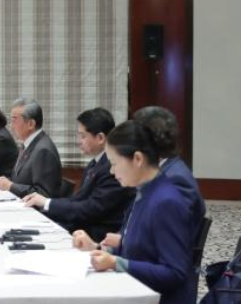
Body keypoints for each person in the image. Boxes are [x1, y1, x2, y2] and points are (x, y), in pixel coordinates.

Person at [83, 120, 198, 304]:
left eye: (114, 163)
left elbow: (175, 274)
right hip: (142, 300)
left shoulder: (165, 201)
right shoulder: (145, 191)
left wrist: (117, 263)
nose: (111, 171)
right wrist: (98, 248)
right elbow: (140, 247)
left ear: (137, 159)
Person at [83, 106, 207, 253]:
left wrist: (118, 249)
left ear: (148, 140)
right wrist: (118, 241)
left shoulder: (175, 180)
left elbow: (164, 247)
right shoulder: (153, 172)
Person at [24, 107, 134, 242]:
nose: (78, 141)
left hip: (97, 237)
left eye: (83, 136)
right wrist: (46, 204)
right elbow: (78, 199)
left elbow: (90, 209)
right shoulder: (95, 163)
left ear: (100, 138)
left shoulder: (112, 169)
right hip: (81, 228)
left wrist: (47, 203)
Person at [0, 98, 62, 198]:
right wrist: (7, 181)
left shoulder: (43, 150)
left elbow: (43, 194)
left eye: (14, 120)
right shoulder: (29, 144)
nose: (11, 126)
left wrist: (11, 186)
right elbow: (19, 179)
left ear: (31, 124)